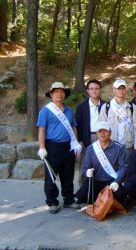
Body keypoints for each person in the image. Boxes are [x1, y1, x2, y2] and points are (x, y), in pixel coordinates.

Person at [37, 82, 83, 214]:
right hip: (52, 147)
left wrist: (75, 143)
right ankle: (52, 202)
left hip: (68, 146)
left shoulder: (69, 111)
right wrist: (42, 147)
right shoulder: (45, 111)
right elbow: (42, 130)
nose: (59, 94)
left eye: (62, 91)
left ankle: (68, 199)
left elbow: (73, 127)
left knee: (68, 174)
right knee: (51, 176)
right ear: (51, 94)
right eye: (56, 91)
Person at [75, 122, 128, 204]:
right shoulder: (91, 149)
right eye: (100, 131)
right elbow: (85, 167)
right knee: (81, 196)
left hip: (112, 181)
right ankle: (103, 200)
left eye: (105, 131)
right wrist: (87, 172)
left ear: (110, 132)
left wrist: (117, 181)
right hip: (96, 181)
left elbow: (123, 167)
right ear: (96, 133)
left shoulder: (119, 148)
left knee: (121, 197)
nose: (103, 134)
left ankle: (105, 200)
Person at [98, 79, 136, 155]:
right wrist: (103, 145)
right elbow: (101, 128)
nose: (121, 91)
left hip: (128, 147)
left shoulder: (132, 107)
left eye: (123, 88)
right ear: (114, 90)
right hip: (111, 146)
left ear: (125, 90)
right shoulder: (106, 107)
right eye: (118, 88)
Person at [75, 79, 104, 185]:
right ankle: (83, 190)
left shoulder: (106, 105)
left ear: (100, 90)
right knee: (85, 164)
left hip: (102, 137)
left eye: (96, 88)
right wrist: (80, 140)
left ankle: (99, 191)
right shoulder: (82, 107)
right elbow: (77, 125)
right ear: (87, 91)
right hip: (87, 137)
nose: (94, 91)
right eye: (91, 89)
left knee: (101, 163)